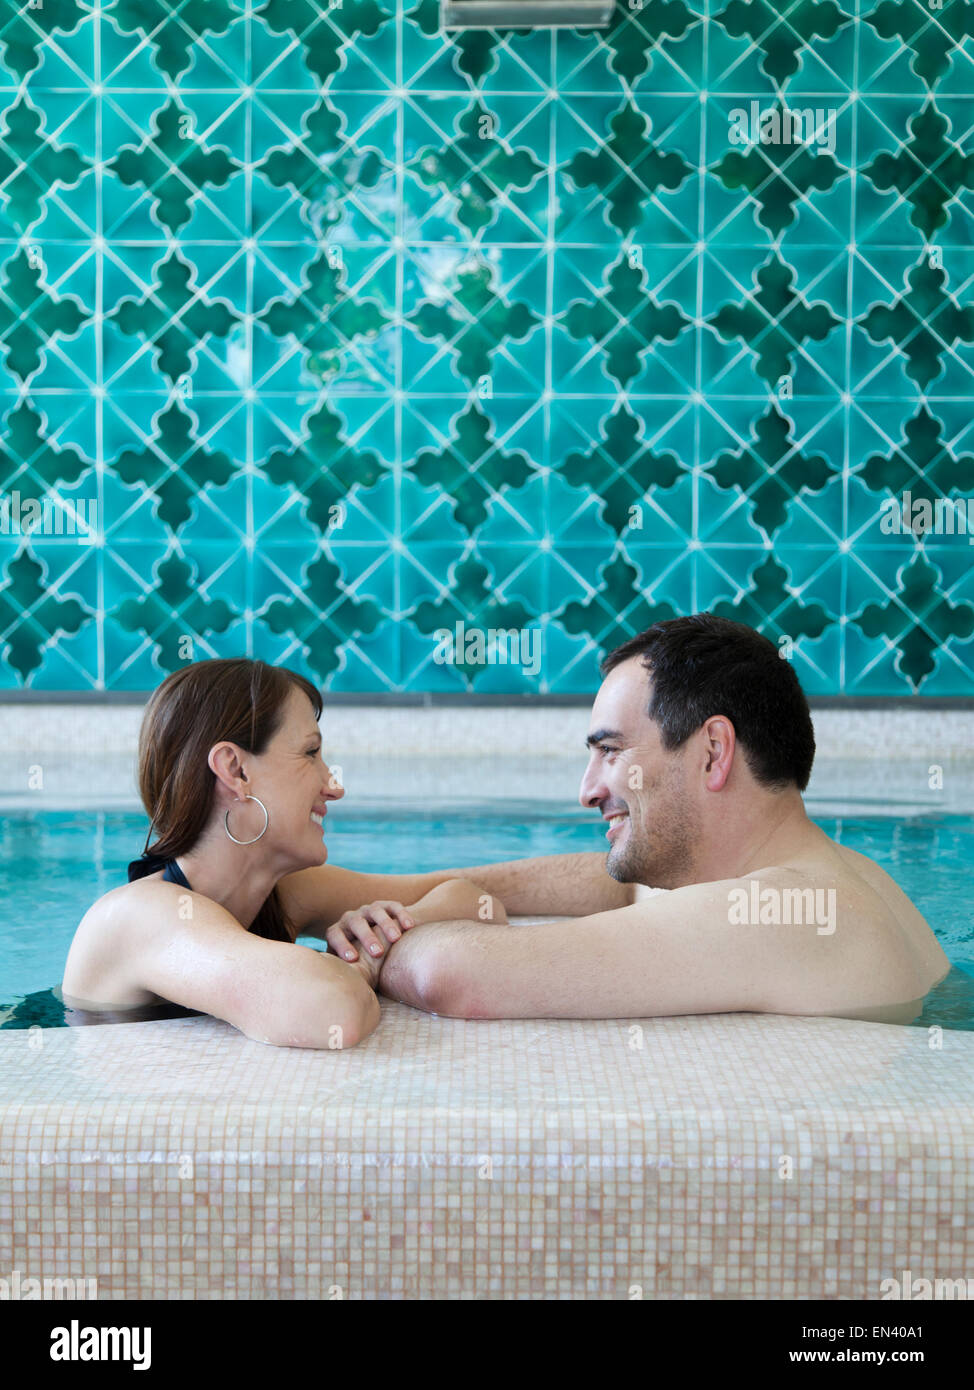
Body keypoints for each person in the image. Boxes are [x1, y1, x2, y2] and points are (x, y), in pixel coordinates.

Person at [324, 614, 952, 1025]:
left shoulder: (786, 913)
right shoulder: (834, 877)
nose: (587, 790)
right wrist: (374, 893)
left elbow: (453, 976)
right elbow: (623, 883)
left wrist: (383, 938)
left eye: (610, 751)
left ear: (713, 752)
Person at [62, 659, 505, 1047]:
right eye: (310, 753)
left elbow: (473, 902)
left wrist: (379, 930)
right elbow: (331, 1010)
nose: (334, 785)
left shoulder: (282, 892)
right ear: (236, 771)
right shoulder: (139, 915)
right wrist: (359, 967)